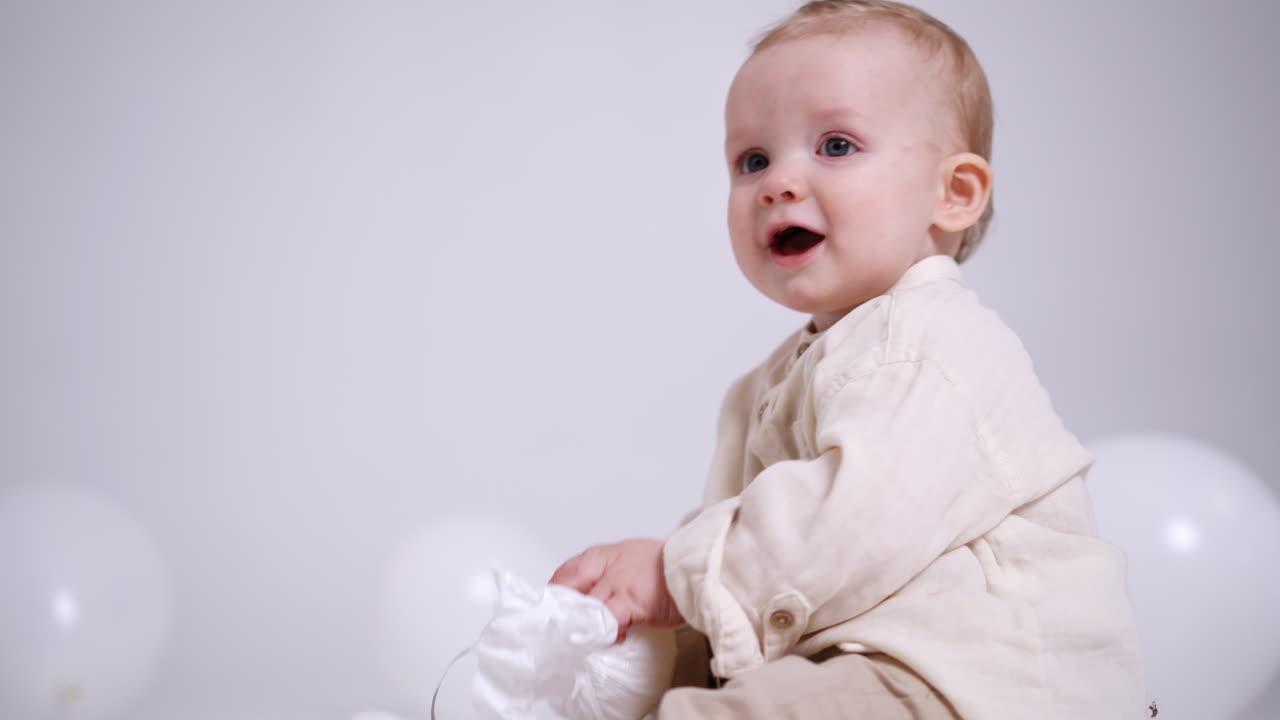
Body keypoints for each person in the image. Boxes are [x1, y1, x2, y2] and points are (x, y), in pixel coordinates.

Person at [550, 1, 1145, 717]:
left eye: (835, 146)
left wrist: (677, 573)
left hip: (980, 679)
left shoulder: (932, 346)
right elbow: (762, 555)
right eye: (753, 159)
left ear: (953, 194)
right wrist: (654, 627)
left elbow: (852, 520)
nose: (778, 183)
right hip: (868, 667)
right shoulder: (768, 384)